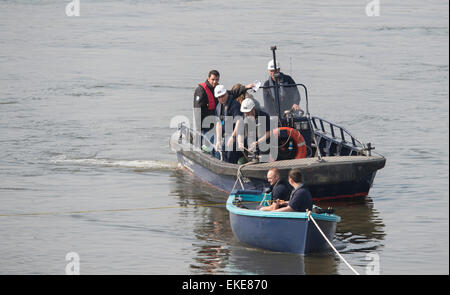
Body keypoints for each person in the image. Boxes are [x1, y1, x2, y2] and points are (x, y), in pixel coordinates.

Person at [214, 84, 253, 163]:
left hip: (239, 135)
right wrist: (218, 140)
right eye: (219, 97)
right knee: (222, 150)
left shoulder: (234, 105)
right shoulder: (219, 107)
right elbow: (218, 124)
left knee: (231, 153)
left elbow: (239, 121)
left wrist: (233, 136)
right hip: (227, 136)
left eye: (223, 95)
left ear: (227, 93)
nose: (221, 98)